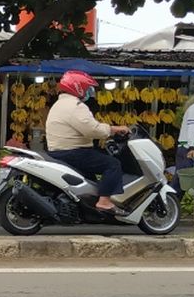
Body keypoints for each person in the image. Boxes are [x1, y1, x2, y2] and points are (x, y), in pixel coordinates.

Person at [45, 70, 130, 213]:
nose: (89, 91)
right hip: (74, 152)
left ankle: (87, 207)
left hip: (59, 151)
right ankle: (104, 201)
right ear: (78, 87)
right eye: (87, 88)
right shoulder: (76, 106)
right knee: (113, 164)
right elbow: (92, 130)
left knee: (91, 180)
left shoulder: (59, 104)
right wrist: (113, 129)